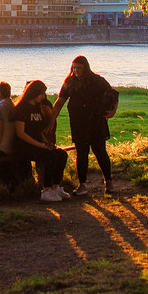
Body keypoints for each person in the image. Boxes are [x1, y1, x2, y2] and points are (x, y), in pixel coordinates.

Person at [51, 56, 118, 196]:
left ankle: (108, 181)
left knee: (100, 151)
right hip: (78, 122)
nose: (76, 71)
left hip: (95, 121)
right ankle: (82, 185)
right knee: (81, 153)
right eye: (74, 68)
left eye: (79, 68)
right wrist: (51, 119)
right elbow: (60, 101)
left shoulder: (97, 80)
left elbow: (113, 94)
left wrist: (112, 111)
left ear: (86, 68)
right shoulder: (69, 82)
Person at [10, 80, 69, 202]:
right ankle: (46, 190)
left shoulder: (37, 108)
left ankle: (56, 186)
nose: (43, 97)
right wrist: (41, 145)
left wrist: (46, 142)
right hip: (24, 146)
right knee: (50, 156)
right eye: (42, 94)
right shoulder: (21, 109)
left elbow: (38, 131)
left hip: (37, 144)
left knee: (62, 154)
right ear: (35, 93)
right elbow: (21, 133)